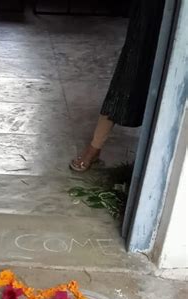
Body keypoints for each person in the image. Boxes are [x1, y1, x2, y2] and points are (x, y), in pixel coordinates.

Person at [70, 0, 166, 172]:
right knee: (128, 76)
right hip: (151, 13)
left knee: (166, 94)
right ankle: (94, 147)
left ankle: (159, 162)